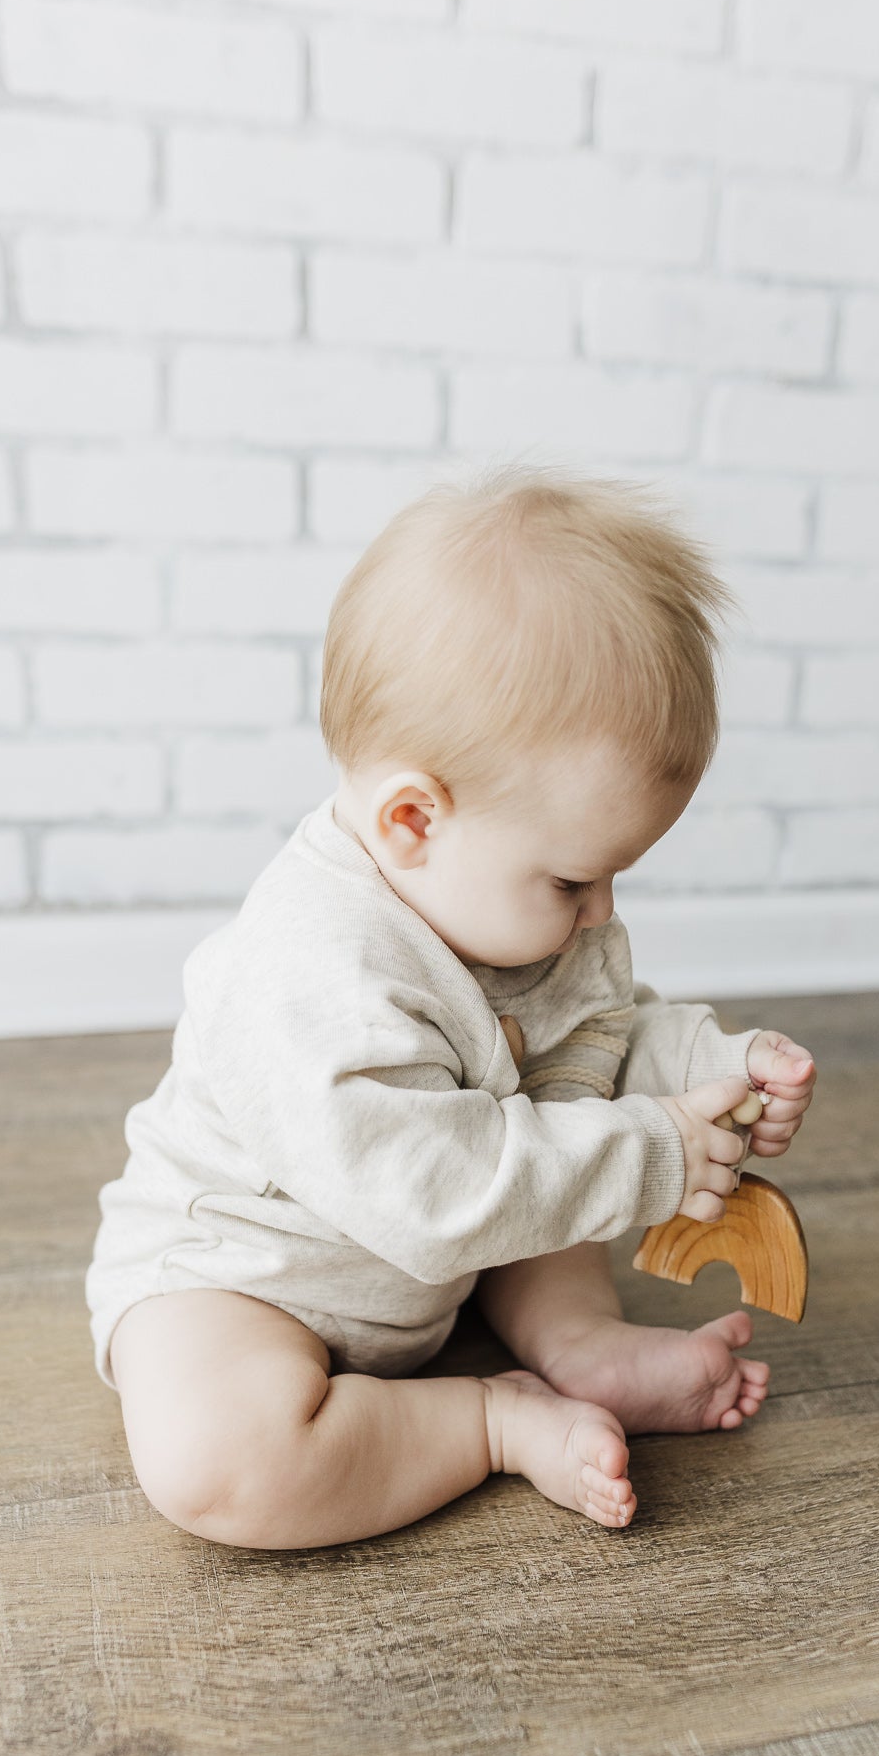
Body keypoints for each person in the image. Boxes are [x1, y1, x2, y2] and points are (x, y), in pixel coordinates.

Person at [86, 469, 816, 1549]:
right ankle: (487, 1416)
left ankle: (582, 1340)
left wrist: (715, 1063)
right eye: (574, 879)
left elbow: (593, 1043)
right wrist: (658, 1150)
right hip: (258, 1273)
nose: (602, 910)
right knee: (218, 1462)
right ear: (414, 818)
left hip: (455, 1240)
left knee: (553, 1153)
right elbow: (431, 1194)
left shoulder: (499, 897)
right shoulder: (309, 969)